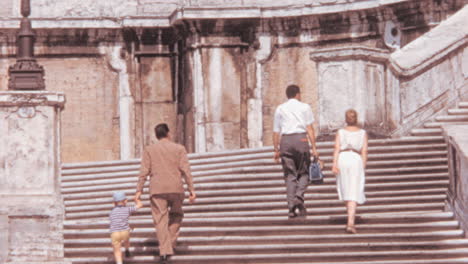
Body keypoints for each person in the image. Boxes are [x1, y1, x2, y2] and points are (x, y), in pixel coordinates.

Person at [134, 123, 196, 264]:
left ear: (156, 136)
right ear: (168, 133)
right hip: (176, 188)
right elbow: (186, 170)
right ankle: (170, 245)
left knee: (160, 220)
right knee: (177, 215)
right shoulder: (179, 148)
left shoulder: (149, 150)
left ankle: (164, 250)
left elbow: (144, 172)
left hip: (157, 189)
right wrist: (191, 189)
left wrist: (139, 190)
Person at [272, 84, 319, 219]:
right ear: (297, 94)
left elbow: (276, 131)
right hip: (300, 140)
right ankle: (298, 196)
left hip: (285, 141)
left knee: (290, 176)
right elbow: (309, 128)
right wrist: (314, 148)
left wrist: (276, 149)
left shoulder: (280, 108)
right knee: (305, 172)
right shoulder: (305, 107)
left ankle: (291, 208)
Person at [331, 109, 368, 234]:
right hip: (355, 159)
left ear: (346, 119)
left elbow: (336, 148)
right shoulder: (362, 133)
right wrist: (362, 166)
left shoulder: (340, 132)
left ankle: (350, 219)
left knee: (346, 189)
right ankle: (350, 223)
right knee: (353, 190)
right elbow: (364, 151)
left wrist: (334, 164)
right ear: (356, 119)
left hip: (343, 158)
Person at [109, 191, 143, 264]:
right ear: (126, 201)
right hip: (125, 231)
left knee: (117, 250)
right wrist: (136, 200)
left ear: (114, 203)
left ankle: (119, 262)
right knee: (126, 240)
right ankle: (127, 249)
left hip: (114, 233)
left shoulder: (111, 212)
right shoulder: (127, 209)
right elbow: (140, 205)